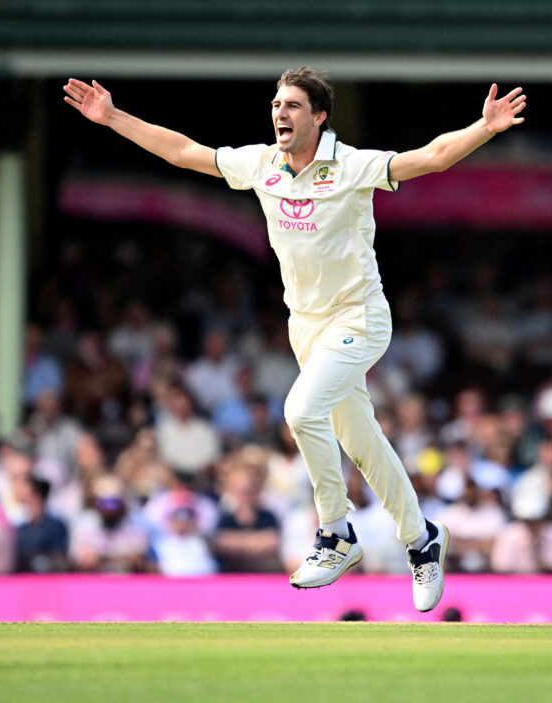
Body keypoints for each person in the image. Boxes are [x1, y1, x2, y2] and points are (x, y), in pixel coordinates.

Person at [64, 68, 526, 611]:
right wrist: (112, 116)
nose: (280, 114)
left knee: (301, 411)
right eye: (276, 104)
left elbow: (430, 157)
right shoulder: (262, 164)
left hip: (359, 318)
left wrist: (484, 127)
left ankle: (336, 533)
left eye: (292, 106)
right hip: (305, 327)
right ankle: (422, 538)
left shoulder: (351, 165)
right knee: (362, 441)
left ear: (319, 115)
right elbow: (184, 152)